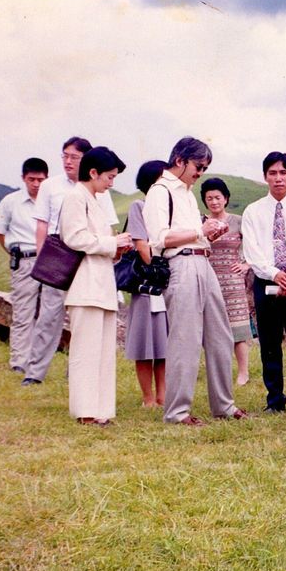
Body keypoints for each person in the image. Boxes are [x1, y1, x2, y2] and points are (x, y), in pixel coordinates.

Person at [144, 137, 248, 425]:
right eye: (198, 166)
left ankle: (223, 405)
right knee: (185, 339)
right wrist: (198, 231)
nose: (200, 172)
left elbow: (193, 232)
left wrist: (206, 235)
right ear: (180, 160)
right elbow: (159, 238)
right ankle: (178, 412)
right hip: (181, 264)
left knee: (221, 335)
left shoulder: (188, 194)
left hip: (204, 262)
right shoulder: (160, 191)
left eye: (204, 167)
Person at [22, 136, 119, 386]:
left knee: (84, 318)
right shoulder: (51, 186)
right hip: (59, 256)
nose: (67, 161)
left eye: (74, 157)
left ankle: (74, 372)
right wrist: (43, 261)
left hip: (90, 259)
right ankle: (35, 372)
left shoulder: (101, 190)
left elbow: (108, 227)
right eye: (64, 155)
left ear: (87, 162)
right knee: (49, 316)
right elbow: (42, 224)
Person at [58, 147, 133, 426]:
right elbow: (75, 237)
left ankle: (101, 410)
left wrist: (116, 247)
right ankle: (84, 410)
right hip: (85, 284)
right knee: (86, 352)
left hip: (102, 283)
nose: (112, 182)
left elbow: (97, 240)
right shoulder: (75, 197)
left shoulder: (95, 200)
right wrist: (113, 243)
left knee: (102, 351)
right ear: (93, 173)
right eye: (109, 177)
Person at [241, 151, 286, 414]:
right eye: (272, 173)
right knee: (270, 344)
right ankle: (274, 400)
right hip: (265, 281)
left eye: (284, 173)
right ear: (265, 177)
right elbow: (252, 250)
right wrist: (274, 274)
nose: (278, 178)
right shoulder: (253, 211)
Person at [0, 157, 48, 373]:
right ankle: (19, 362)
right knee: (23, 312)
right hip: (23, 258)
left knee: (47, 312)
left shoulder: (50, 201)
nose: (36, 184)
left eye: (40, 180)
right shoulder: (10, 201)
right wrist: (13, 251)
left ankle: (39, 360)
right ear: (23, 178)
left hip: (48, 259)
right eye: (32, 179)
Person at [123, 160, 170, 408]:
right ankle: (147, 397)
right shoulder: (138, 206)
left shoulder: (171, 208)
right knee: (144, 343)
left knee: (164, 342)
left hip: (168, 283)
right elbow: (141, 245)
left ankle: (163, 395)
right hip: (147, 283)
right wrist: (158, 267)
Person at [202, 177, 254, 386]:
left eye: (217, 197)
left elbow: (253, 245)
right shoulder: (201, 223)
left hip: (233, 280)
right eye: (209, 198)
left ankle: (243, 372)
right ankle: (217, 372)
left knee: (239, 326)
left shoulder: (238, 221)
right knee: (212, 327)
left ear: (226, 199)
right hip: (209, 277)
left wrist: (246, 265)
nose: (214, 202)